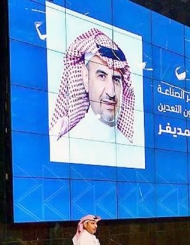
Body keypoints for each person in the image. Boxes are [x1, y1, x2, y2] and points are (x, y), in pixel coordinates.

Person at [49, 27, 136, 166]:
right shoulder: (67, 148)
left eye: (116, 79)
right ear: (85, 77)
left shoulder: (132, 152)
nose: (111, 92)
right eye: (101, 76)